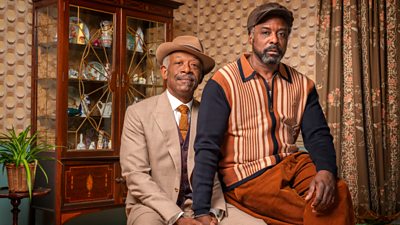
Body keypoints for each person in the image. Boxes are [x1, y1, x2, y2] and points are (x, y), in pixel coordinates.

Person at [192, 3, 355, 225]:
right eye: (266, 32)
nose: (274, 40)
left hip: (292, 163)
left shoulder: (302, 84)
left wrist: (326, 171)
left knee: (337, 190)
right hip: (248, 177)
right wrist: (200, 209)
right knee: (317, 209)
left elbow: (318, 135)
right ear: (251, 37)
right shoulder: (223, 83)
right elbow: (207, 146)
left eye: (282, 34)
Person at [120, 35, 266, 225]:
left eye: (194, 66)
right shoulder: (137, 113)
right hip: (152, 207)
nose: (187, 69)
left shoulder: (212, 114)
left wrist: (212, 210)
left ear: (200, 77)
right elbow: (136, 176)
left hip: (204, 205)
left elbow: (215, 169)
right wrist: (178, 217)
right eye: (179, 63)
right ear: (164, 72)